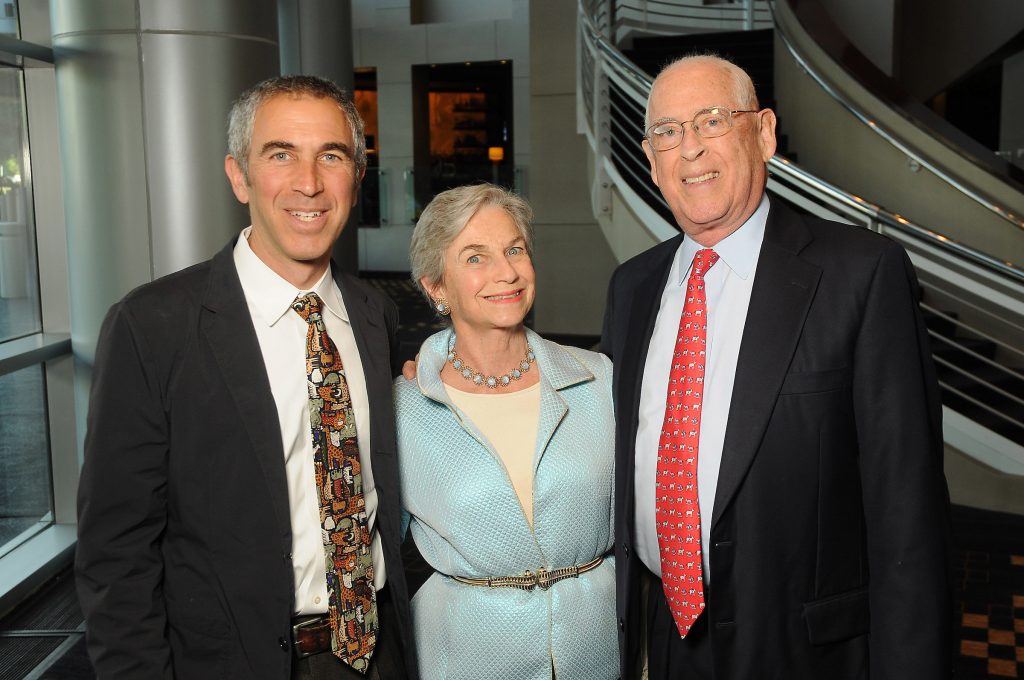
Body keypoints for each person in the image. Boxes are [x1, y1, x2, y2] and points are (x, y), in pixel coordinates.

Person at [601, 55, 951, 679]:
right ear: (651, 161)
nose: (690, 150)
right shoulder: (632, 288)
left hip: (806, 654)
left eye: (711, 121)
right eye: (667, 133)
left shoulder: (861, 276)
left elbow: (909, 518)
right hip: (665, 641)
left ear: (763, 133)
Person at [76, 75, 418, 680]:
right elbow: (116, 554)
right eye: (280, 154)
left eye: (331, 157)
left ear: (357, 178)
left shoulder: (374, 315)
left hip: (376, 657)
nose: (308, 182)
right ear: (238, 176)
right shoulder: (152, 326)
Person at [395, 183, 618, 679]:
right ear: (435, 286)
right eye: (476, 258)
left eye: (515, 249)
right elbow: (374, 555)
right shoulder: (402, 408)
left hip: (596, 652)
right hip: (464, 655)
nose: (507, 272)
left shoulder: (598, 379)